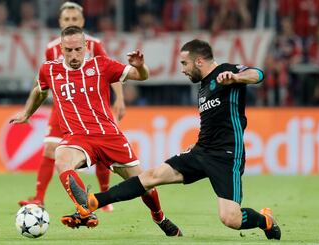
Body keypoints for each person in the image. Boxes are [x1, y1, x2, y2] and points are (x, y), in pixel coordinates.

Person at [69, 39, 282, 240]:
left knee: (231, 219)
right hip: (201, 152)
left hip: (226, 156)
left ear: (199, 61)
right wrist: (198, 145)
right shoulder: (204, 87)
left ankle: (265, 220)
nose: (182, 69)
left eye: (184, 63)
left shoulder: (227, 71)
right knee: (152, 176)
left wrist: (236, 78)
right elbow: (214, 123)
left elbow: (258, 74)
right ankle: (93, 201)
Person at [10, 26, 182, 236]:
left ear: (86, 47)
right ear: (61, 49)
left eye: (78, 49)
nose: (74, 55)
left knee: (144, 185)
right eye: (68, 50)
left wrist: (141, 66)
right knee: (62, 157)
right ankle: (85, 210)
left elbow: (141, 76)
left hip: (109, 136)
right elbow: (39, 90)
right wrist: (27, 113)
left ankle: (159, 217)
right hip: (78, 138)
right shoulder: (49, 70)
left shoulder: (101, 65)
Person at [17, 2, 125, 213]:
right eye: (67, 19)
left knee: (103, 149)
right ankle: (39, 198)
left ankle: (104, 194)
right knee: (49, 149)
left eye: (75, 19)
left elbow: (112, 72)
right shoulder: (51, 48)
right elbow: (45, 79)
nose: (71, 22)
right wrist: (29, 109)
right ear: (60, 22)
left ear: (82, 21)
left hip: (91, 107)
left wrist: (119, 99)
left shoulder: (94, 44)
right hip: (62, 108)